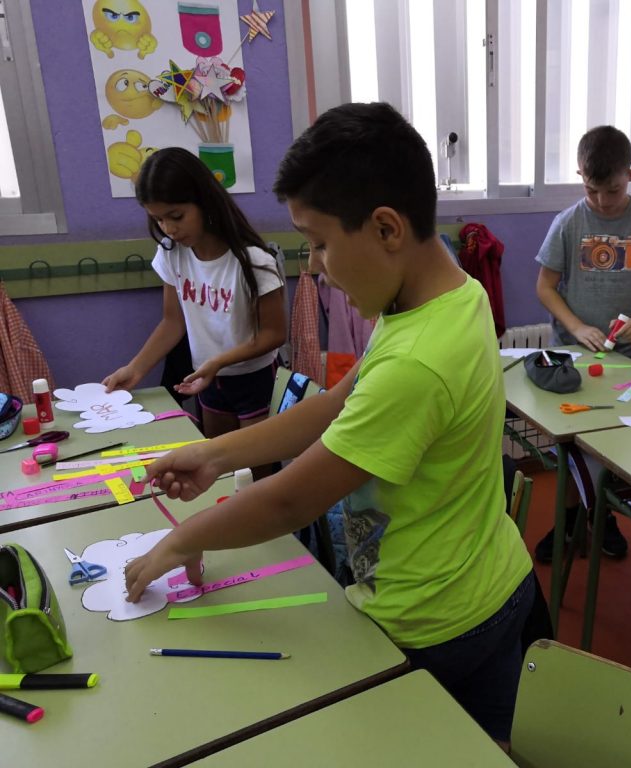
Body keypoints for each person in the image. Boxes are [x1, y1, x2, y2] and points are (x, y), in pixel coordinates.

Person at [123, 103, 537, 747]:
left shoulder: (416, 361)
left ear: (386, 228)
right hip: (492, 583)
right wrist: (217, 455)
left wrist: (183, 539)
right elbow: (339, 400)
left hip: (432, 622)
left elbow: (291, 499)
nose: (314, 267)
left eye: (319, 242)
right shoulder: (449, 297)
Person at [533, 125, 631, 562]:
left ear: (630, 176)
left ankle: (602, 515)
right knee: (570, 444)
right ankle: (570, 520)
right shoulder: (568, 223)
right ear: (581, 176)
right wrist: (576, 327)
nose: (601, 201)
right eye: (591, 190)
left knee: (612, 443)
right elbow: (545, 287)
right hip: (571, 358)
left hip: (624, 360)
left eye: (612, 190)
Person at [103, 147, 286, 439]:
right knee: (217, 458)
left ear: (204, 201)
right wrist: (135, 369)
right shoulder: (172, 254)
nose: (169, 229)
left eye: (176, 216)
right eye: (158, 219)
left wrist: (219, 362)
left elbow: (274, 334)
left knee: (254, 461)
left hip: (254, 379)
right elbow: (172, 322)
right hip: (207, 379)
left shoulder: (253, 261)